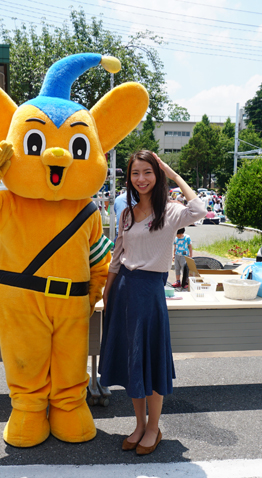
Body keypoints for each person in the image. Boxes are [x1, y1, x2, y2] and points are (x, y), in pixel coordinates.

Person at [99, 150, 206, 455]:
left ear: (156, 175)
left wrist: (173, 174)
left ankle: (154, 427)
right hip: (123, 292)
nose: (141, 179)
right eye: (135, 173)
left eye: (147, 172)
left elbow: (200, 209)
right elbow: (117, 257)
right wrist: (108, 292)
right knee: (132, 362)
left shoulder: (171, 212)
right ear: (129, 178)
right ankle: (138, 424)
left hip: (150, 293)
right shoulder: (126, 213)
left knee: (151, 361)